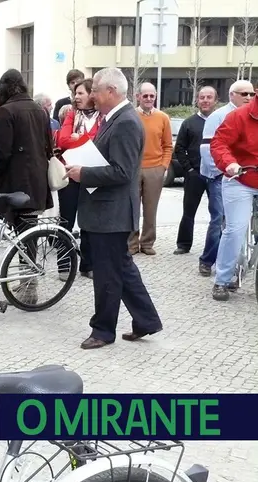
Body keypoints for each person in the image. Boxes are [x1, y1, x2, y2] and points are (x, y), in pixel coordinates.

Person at [66, 67, 162, 350]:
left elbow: (122, 171)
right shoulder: (113, 118)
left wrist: (84, 173)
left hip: (112, 213)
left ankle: (103, 330)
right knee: (122, 268)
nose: (91, 93)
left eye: (95, 89)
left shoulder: (126, 123)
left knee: (108, 274)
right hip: (106, 210)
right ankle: (146, 320)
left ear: (111, 92)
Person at [0, 69, 55, 306]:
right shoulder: (40, 110)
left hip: (17, 181)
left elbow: (3, 152)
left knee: (22, 233)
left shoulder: (7, 111)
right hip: (37, 180)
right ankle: (27, 281)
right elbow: (50, 145)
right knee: (28, 233)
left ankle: (29, 288)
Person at [197, 80, 254, 278]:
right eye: (244, 93)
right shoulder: (228, 116)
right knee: (229, 225)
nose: (248, 97)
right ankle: (218, 273)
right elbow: (212, 146)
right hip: (233, 176)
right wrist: (226, 167)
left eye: (250, 94)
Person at [208, 87, 258, 301]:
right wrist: (230, 164)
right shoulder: (239, 116)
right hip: (241, 178)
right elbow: (219, 143)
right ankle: (222, 279)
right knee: (235, 229)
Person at [56, 78, 101, 279]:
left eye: (80, 93)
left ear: (92, 94)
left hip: (92, 176)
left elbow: (101, 142)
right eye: (75, 93)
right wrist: (85, 140)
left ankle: (88, 264)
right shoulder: (72, 115)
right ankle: (64, 264)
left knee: (89, 221)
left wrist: (79, 139)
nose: (76, 97)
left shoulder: (103, 117)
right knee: (66, 220)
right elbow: (62, 139)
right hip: (71, 175)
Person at [129, 82, 173, 255]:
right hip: (134, 169)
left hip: (155, 168)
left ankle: (147, 243)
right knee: (132, 207)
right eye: (145, 95)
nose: (148, 99)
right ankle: (132, 243)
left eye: (151, 96)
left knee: (150, 208)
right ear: (138, 96)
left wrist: (163, 166)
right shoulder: (131, 116)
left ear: (155, 96)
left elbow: (168, 146)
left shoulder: (163, 118)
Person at [173, 86, 217, 256]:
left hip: (216, 175)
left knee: (217, 214)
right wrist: (189, 169)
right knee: (188, 211)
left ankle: (215, 247)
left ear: (215, 100)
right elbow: (180, 148)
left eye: (209, 97)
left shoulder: (221, 121)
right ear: (197, 100)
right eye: (202, 97)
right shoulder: (189, 123)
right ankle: (183, 244)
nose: (205, 100)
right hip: (195, 174)